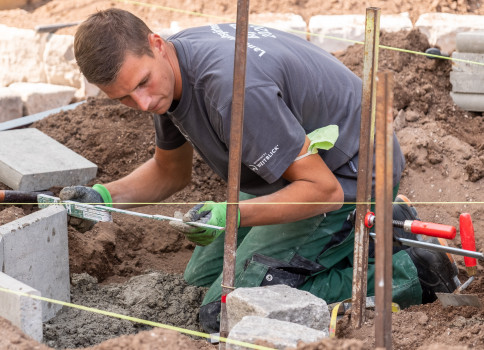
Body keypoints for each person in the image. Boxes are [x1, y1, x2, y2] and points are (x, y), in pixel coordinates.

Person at [62, 8, 459, 332]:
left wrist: (230, 214)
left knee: (227, 312)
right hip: (291, 174)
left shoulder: (233, 90)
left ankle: (410, 269)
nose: (143, 103)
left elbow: (323, 192)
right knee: (199, 282)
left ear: (156, 44)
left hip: (350, 175)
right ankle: (370, 236)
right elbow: (170, 172)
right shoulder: (166, 78)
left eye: (143, 84)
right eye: (125, 98)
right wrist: (104, 197)